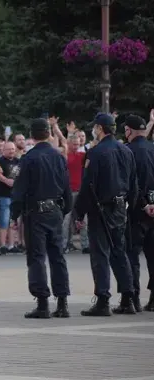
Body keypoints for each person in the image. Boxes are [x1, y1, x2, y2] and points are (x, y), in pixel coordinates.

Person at [75, 113, 137, 316]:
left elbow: (87, 185)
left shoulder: (96, 152)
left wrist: (78, 212)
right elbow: (133, 184)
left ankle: (103, 299)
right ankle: (128, 298)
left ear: (100, 129)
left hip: (101, 208)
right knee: (119, 251)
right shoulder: (125, 151)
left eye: (95, 127)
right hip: (120, 207)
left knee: (100, 254)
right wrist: (129, 206)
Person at [11, 118, 72, 319]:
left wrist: (14, 214)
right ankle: (62, 303)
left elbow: (19, 189)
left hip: (35, 213)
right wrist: (65, 209)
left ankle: (43, 303)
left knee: (37, 257)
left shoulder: (29, 158)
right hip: (55, 210)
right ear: (48, 133)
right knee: (58, 256)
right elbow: (66, 186)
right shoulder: (59, 157)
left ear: (32, 135)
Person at [123, 114, 154, 311]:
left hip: (136, 210)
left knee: (132, 254)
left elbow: (129, 183)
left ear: (128, 131)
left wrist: (143, 203)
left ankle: (133, 297)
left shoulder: (127, 151)